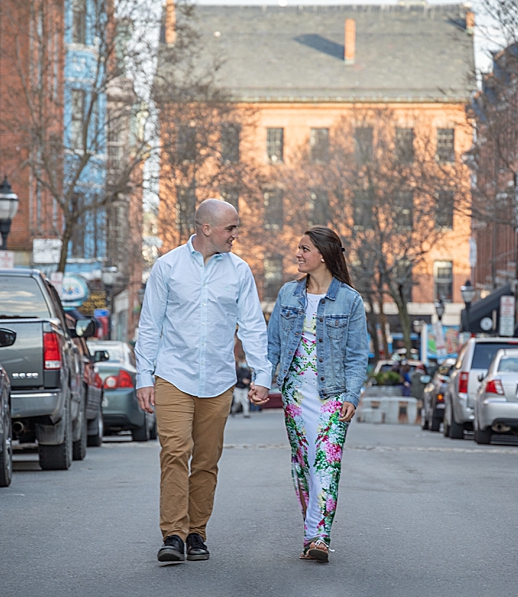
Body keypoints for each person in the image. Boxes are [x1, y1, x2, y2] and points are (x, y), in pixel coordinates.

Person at [135, 199, 271, 563]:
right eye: (231, 228)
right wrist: (143, 377)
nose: (236, 235)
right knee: (176, 452)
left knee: (207, 460)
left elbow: (253, 326)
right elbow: (150, 325)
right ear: (206, 228)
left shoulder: (239, 271)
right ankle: (174, 535)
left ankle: (197, 533)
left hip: (218, 380)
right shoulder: (167, 267)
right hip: (173, 375)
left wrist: (262, 374)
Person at [266, 226, 368, 563]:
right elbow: (274, 346)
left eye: (304, 248)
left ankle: (319, 537)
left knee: (327, 463)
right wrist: (263, 382)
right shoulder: (287, 295)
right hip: (296, 393)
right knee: (303, 464)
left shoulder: (350, 300)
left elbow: (356, 355)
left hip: (333, 393)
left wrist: (352, 395)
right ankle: (311, 534)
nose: (297, 253)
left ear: (322, 255)